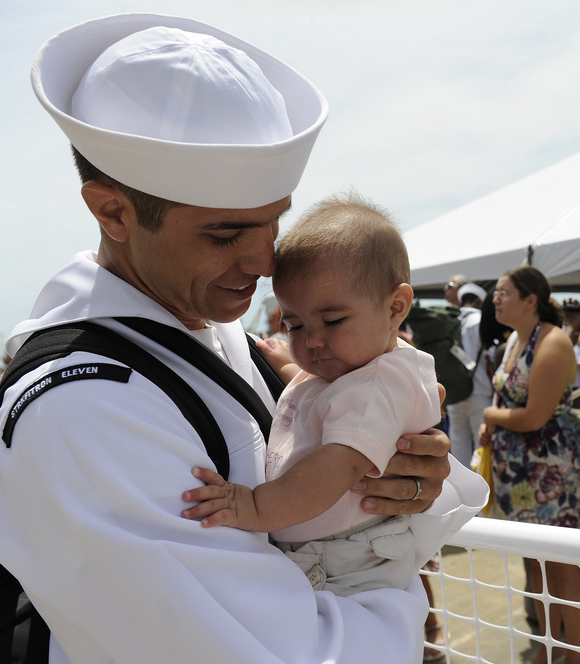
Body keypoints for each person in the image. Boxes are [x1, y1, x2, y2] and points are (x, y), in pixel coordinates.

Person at [0, 13, 485, 663]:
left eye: (273, 222)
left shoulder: (209, 325)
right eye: (225, 233)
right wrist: (401, 598)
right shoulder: (84, 407)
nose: (267, 262)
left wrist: (406, 475)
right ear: (111, 211)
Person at [180, 194, 483, 598]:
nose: (313, 341)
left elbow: (333, 469)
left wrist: (252, 507)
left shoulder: (378, 383)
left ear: (396, 308)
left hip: (341, 559)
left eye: (334, 319)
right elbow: (322, 398)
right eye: (294, 324)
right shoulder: (355, 367)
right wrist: (288, 367)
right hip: (329, 549)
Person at [478, 266, 580, 664]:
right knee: (535, 560)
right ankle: (551, 648)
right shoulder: (515, 338)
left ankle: (577, 655)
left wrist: (490, 416)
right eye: (495, 293)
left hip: (555, 468)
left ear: (532, 300)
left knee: (566, 565)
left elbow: (534, 417)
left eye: (503, 292)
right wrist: (492, 421)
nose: (495, 299)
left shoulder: (553, 341)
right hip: (520, 471)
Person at [446, 282, 493, 468]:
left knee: (458, 448)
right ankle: (482, 493)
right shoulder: (480, 321)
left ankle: (460, 494)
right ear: (479, 301)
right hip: (479, 391)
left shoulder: (451, 321)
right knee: (481, 447)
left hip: (455, 393)